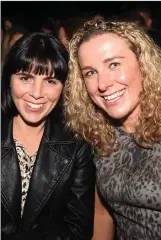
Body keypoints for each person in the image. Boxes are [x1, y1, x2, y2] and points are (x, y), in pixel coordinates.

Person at [64, 20, 161, 240]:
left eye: (113, 64)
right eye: (90, 72)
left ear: (143, 63)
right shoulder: (98, 132)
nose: (103, 83)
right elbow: (103, 215)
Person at [1, 32, 95, 240]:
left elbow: (78, 230)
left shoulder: (77, 146)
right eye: (25, 78)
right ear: (9, 80)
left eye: (50, 81)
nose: (37, 93)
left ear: (63, 88)